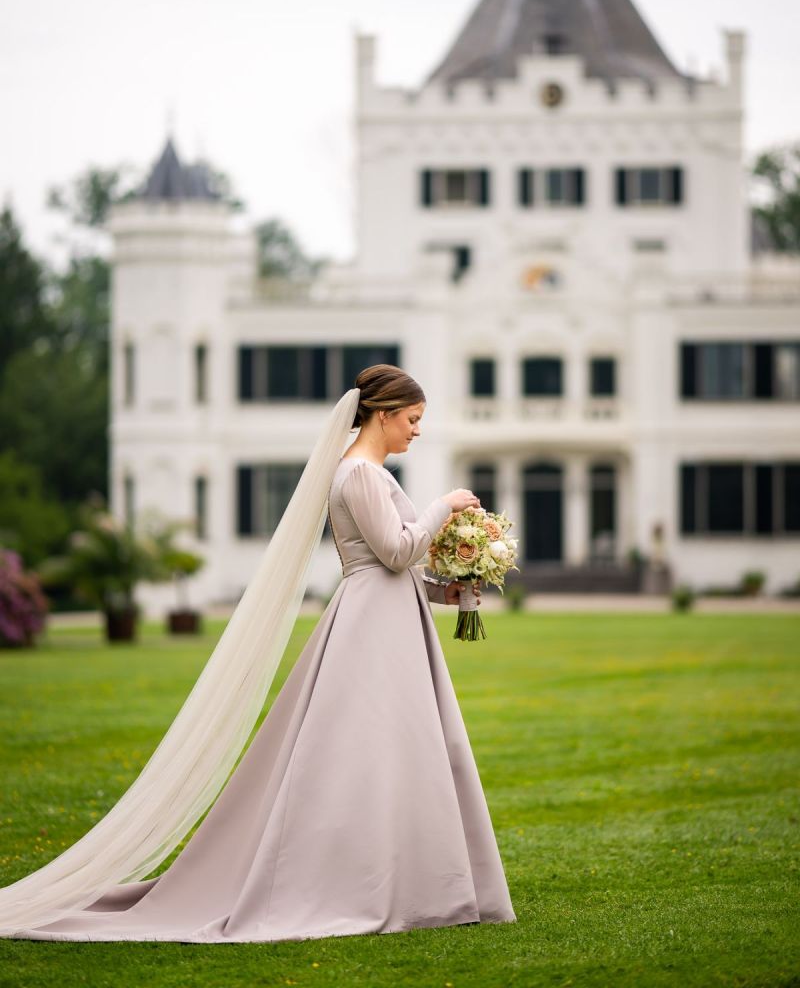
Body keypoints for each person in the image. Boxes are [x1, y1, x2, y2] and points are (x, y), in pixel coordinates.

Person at [0, 364, 516, 942]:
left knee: (402, 751)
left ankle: (415, 879)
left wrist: (447, 590)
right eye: (413, 420)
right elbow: (396, 552)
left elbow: (395, 570)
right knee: (367, 753)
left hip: (388, 618)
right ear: (384, 413)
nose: (416, 432)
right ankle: (372, 880)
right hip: (371, 629)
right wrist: (443, 507)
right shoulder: (359, 475)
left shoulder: (371, 474)